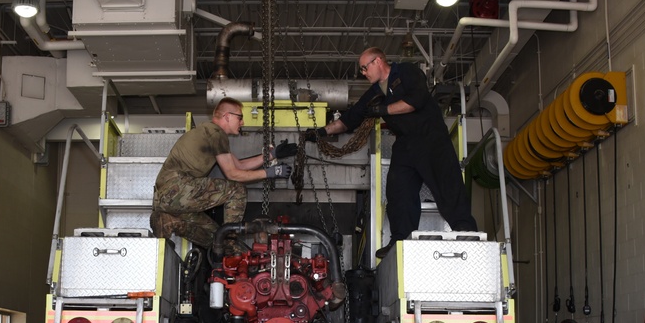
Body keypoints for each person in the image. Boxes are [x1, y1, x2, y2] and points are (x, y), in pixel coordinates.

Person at [304, 47, 477, 259]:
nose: (364, 73)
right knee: (398, 191)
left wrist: (384, 110)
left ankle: (465, 231)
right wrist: (321, 132)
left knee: (446, 184)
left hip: (431, 138)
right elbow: (349, 119)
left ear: (378, 61)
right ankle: (399, 240)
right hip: (405, 144)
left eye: (365, 68)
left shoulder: (406, 72)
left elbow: (417, 100)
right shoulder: (374, 93)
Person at [150, 97, 295, 251]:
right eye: (240, 117)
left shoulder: (209, 132)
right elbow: (233, 174)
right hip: (177, 189)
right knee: (237, 190)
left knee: (216, 236)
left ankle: (168, 221)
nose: (242, 123)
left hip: (167, 199)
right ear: (227, 116)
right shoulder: (216, 133)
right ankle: (232, 243)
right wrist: (269, 173)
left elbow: (239, 165)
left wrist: (271, 155)